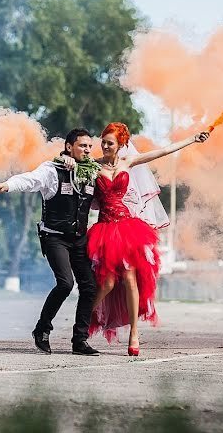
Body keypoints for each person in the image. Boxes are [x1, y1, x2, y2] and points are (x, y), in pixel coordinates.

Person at [84, 122, 209, 355]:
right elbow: (67, 162)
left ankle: (134, 334)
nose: (104, 146)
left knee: (131, 279)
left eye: (109, 143)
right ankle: (82, 321)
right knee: (108, 283)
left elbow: (162, 151)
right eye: (102, 142)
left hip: (126, 228)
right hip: (104, 229)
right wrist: (66, 157)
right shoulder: (92, 165)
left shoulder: (128, 162)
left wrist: (192, 139)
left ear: (121, 145)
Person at [0, 129, 101, 356]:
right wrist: (5, 185)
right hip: (54, 237)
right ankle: (42, 329)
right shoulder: (52, 170)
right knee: (65, 284)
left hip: (79, 238)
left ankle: (79, 341)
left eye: (89, 146)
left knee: (89, 287)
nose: (87, 150)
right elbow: (28, 180)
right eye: (82, 146)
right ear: (69, 147)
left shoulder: (92, 172)